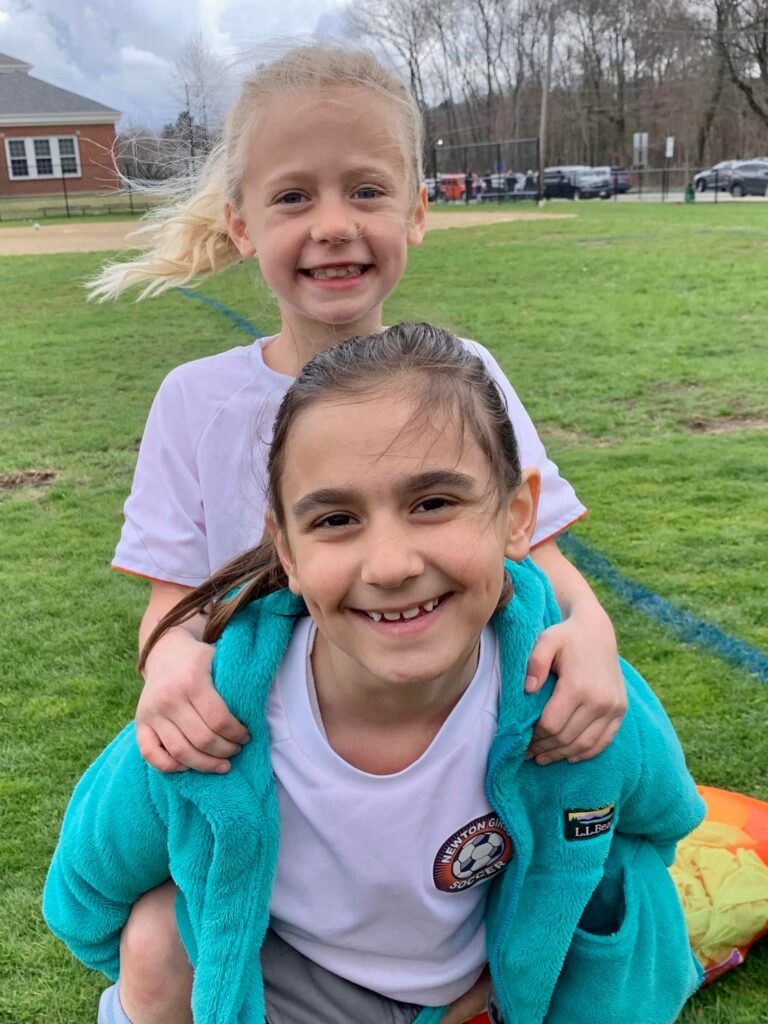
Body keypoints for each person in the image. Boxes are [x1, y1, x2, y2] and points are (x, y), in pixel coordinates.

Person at [44, 324, 705, 1024]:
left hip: (473, 981)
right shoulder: (215, 718)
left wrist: (527, 944)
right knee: (155, 936)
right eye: (336, 519)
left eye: (434, 503)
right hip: (293, 986)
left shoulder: (574, 699)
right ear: (287, 552)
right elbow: (87, 897)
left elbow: (660, 824)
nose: (390, 566)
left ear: (516, 516)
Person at [90, 45, 624, 786]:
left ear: (415, 212)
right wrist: (171, 661)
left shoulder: (465, 373)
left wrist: (592, 632)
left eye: (367, 191)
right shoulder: (193, 399)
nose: (335, 224)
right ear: (241, 226)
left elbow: (539, 554)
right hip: (268, 770)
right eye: (293, 197)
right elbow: (173, 600)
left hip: (455, 759)